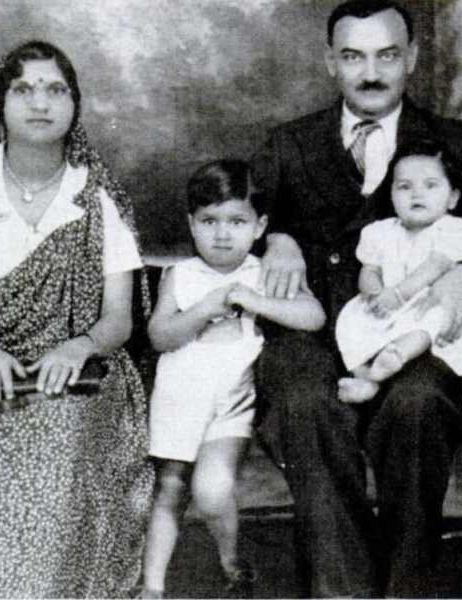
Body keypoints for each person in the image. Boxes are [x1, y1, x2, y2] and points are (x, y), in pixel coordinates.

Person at [249, 1, 462, 597]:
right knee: (302, 401)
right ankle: (341, 593)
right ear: (330, 63)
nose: (370, 73)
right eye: (353, 57)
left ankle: (404, 589)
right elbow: (240, 219)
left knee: (417, 402)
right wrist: (278, 237)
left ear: (412, 60)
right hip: (315, 334)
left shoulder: (457, 144)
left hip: (418, 334)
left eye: (387, 56)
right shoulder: (289, 145)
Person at [0, 40, 154, 598]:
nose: (40, 102)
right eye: (24, 89)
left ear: (74, 105)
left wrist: (77, 347)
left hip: (82, 374)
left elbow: (119, 320)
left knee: (65, 457)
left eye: (55, 89)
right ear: (1, 106)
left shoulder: (97, 195)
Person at [137, 160, 326, 599]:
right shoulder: (179, 275)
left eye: (236, 221)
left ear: (260, 226)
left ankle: (229, 557)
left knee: (212, 488)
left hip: (230, 401)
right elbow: (160, 336)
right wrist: (201, 310)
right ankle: (153, 586)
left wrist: (255, 300)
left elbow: (313, 316)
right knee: (168, 489)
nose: (222, 234)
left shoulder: (265, 272)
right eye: (209, 221)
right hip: (180, 399)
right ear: (191, 223)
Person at [335, 139, 462, 403]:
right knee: (351, 321)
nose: (417, 194)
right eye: (404, 187)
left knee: (435, 317)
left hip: (428, 301)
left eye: (431, 186)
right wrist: (374, 293)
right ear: (391, 195)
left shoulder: (453, 229)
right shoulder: (379, 232)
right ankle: (365, 375)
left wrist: (399, 294)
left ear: (452, 198)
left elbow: (435, 266)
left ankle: (396, 357)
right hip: (390, 304)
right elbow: (369, 270)